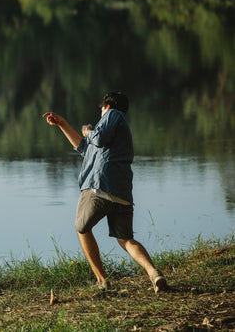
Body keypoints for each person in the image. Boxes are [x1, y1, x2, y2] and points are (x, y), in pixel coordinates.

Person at [43, 92, 168, 293]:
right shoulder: (115, 130)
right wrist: (63, 124)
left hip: (100, 185)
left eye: (101, 110)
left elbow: (96, 138)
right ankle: (154, 273)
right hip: (122, 193)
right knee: (125, 239)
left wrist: (88, 131)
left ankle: (102, 281)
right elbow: (85, 149)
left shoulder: (113, 115)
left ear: (107, 106)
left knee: (81, 228)